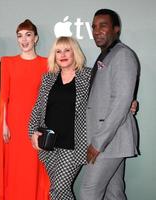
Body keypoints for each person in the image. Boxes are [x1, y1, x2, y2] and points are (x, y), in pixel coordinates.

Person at [79, 9, 139, 200]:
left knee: (88, 192)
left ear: (116, 29)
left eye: (103, 25)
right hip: (112, 141)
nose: (97, 31)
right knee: (114, 194)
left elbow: (121, 102)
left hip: (109, 141)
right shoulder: (106, 56)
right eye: (94, 27)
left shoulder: (122, 55)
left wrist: (98, 143)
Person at [29, 36, 91, 200]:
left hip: (73, 145)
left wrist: (130, 103)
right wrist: (32, 133)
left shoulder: (88, 76)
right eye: (58, 51)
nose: (62, 55)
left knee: (59, 189)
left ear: (74, 52)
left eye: (67, 50)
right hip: (49, 144)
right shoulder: (48, 78)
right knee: (56, 190)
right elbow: (37, 108)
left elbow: (105, 96)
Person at [0, 19, 50, 200]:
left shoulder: (47, 64)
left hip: (36, 126)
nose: (24, 40)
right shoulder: (7, 62)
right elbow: (4, 96)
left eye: (28, 35)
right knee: (14, 169)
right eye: (20, 36)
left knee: (33, 169)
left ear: (36, 38)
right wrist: (3, 124)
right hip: (13, 126)